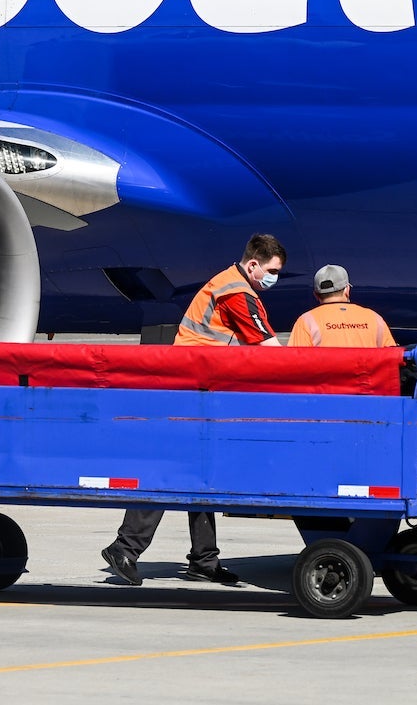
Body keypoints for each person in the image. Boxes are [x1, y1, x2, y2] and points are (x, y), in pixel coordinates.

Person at [100, 233, 286, 587]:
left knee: (201, 474)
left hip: (199, 389)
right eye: (272, 270)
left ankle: (204, 560)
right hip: (190, 392)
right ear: (253, 265)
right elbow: (270, 350)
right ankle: (124, 547)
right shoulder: (236, 293)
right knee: (170, 470)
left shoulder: (228, 282)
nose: (274, 278)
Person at [288, 264, 396, 348]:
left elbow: (295, 362)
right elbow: (391, 357)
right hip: (367, 377)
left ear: (316, 295)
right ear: (347, 290)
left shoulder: (306, 321)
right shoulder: (374, 318)